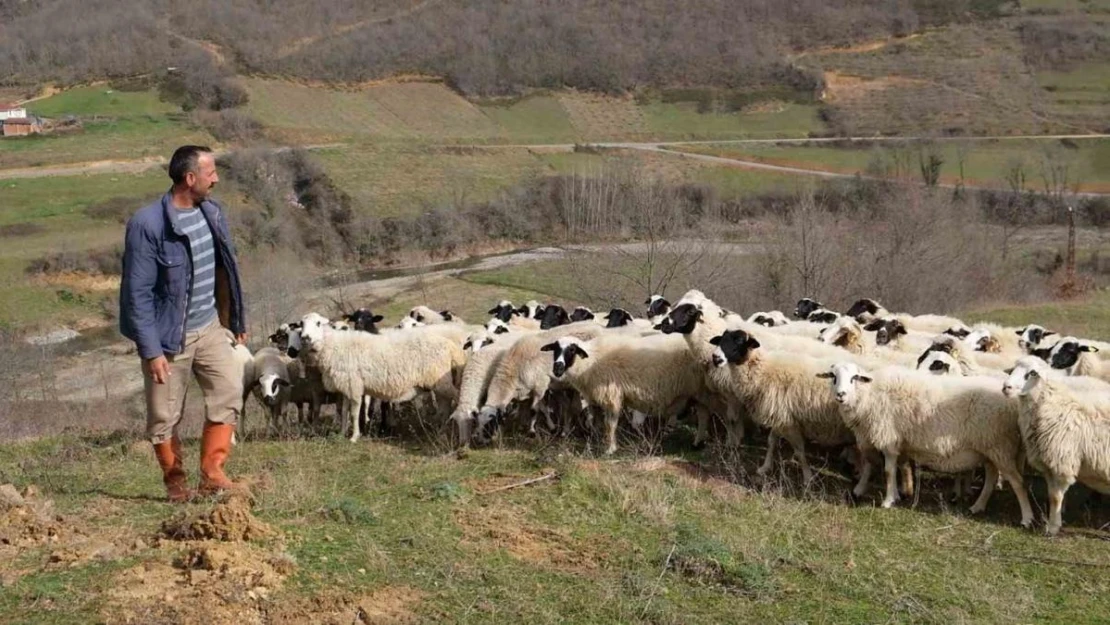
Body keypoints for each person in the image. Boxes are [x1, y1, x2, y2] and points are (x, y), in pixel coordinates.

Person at [119, 145, 247, 502]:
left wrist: (233, 318)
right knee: (163, 416)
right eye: (211, 172)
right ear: (190, 179)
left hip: (209, 329)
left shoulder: (212, 212)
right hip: (168, 339)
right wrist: (151, 350)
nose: (216, 178)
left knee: (228, 393)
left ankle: (213, 474)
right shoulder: (148, 225)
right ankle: (176, 483)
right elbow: (137, 294)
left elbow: (226, 270)